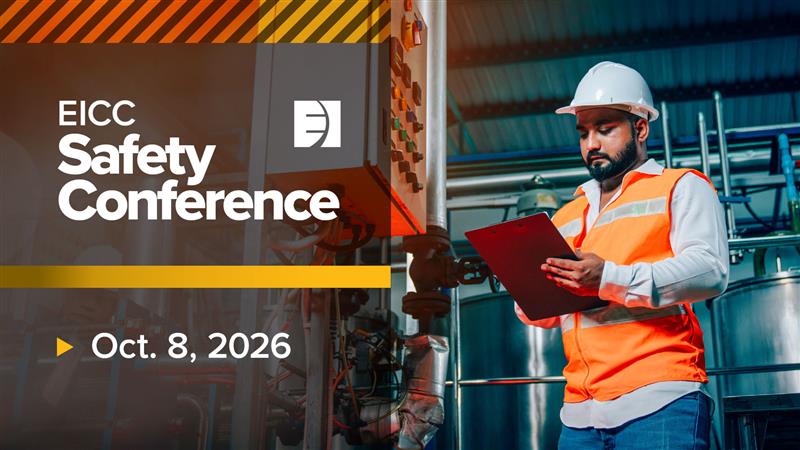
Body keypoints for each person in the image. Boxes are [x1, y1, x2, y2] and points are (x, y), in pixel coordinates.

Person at [514, 61, 729, 449]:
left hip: (660, 397)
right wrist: (529, 295)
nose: (591, 144)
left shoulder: (679, 187)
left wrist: (608, 277)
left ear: (641, 128)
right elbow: (550, 312)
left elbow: (710, 271)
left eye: (605, 129)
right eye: (583, 133)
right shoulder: (566, 216)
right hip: (580, 409)